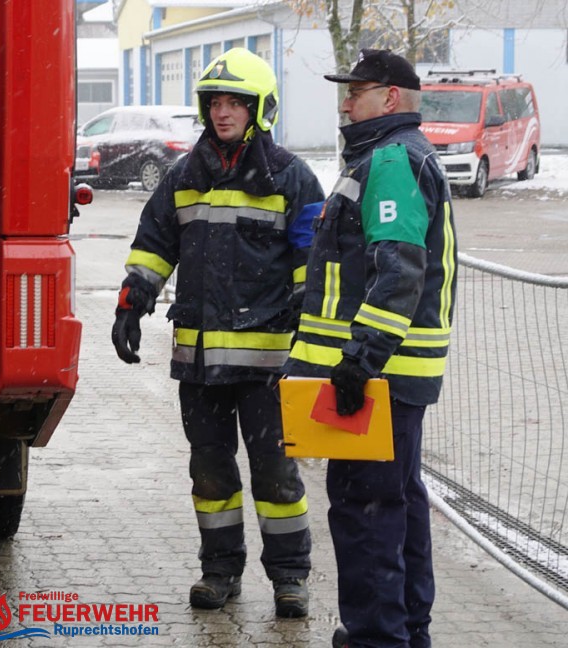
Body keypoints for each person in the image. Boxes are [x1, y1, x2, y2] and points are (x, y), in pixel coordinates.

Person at [111, 47, 325, 617]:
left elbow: (314, 262)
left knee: (275, 477)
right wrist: (132, 302)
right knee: (209, 473)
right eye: (215, 103)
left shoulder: (292, 178)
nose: (222, 113)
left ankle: (290, 579)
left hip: (269, 365)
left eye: (235, 102)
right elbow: (154, 243)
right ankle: (220, 572)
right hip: (200, 362)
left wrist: (309, 330)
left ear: (260, 109)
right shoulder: (185, 175)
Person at [282, 49, 457, 648]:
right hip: (392, 375)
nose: (345, 102)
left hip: (379, 377)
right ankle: (403, 630)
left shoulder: (391, 159)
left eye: (356, 92)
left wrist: (361, 358)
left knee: (366, 509)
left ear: (390, 97)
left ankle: (377, 637)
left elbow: (399, 269)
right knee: (396, 503)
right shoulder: (391, 155)